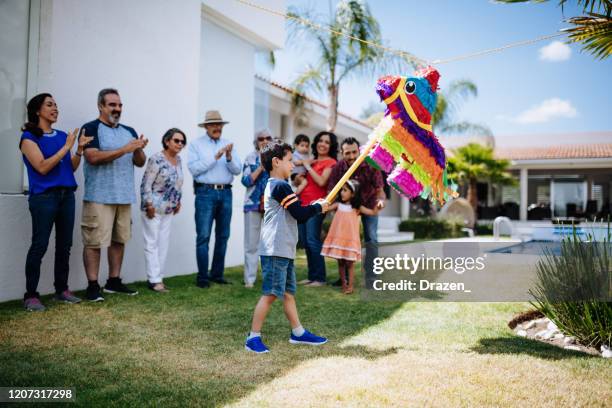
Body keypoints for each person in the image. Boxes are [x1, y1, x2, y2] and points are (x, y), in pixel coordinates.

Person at [245, 142, 329, 353]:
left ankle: (298, 333)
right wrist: (318, 207)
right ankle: (252, 337)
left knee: (288, 292)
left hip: (284, 248)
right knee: (271, 293)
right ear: (276, 161)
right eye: (290, 160)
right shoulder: (279, 186)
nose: (293, 165)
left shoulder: (279, 186)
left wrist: (315, 206)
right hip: (275, 249)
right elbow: (299, 214)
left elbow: (298, 210)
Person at [19, 93, 92, 311]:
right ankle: (30, 295)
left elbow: (70, 167)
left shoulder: (62, 136)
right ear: (37, 110)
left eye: (56, 105)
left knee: (65, 246)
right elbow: (41, 167)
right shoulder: (29, 138)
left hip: (66, 196)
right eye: (49, 105)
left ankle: (62, 290)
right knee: (39, 246)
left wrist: (78, 149)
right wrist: (66, 147)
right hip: (44, 198)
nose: (55, 109)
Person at [81, 88, 148, 302]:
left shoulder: (129, 130)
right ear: (100, 105)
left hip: (124, 196)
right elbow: (92, 157)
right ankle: (92, 286)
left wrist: (138, 149)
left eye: (119, 105)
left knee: (119, 241)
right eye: (112, 104)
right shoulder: (91, 128)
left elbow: (139, 162)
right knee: (93, 242)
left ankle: (113, 281)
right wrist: (126, 149)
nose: (117, 109)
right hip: (99, 196)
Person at [188, 110, 241, 288]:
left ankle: (217, 274)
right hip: (205, 193)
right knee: (203, 236)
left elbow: (237, 170)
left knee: (223, 235)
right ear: (206, 127)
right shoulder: (196, 145)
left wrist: (228, 157)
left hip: (226, 193)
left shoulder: (229, 144)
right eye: (213, 124)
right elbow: (194, 170)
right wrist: (215, 157)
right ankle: (203, 277)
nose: (217, 127)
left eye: (219, 124)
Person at [327, 137, 385, 287]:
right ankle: (344, 278)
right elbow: (331, 191)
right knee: (343, 240)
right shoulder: (338, 168)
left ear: (359, 150)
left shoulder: (371, 164)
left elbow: (380, 190)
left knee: (371, 239)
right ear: (341, 153)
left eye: (354, 152)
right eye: (347, 153)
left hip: (369, 205)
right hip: (347, 209)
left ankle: (371, 278)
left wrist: (380, 202)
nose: (352, 156)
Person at [140, 128, 186, 293]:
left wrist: (178, 201)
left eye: (182, 141)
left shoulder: (179, 160)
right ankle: (154, 280)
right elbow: (146, 183)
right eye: (176, 140)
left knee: (163, 244)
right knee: (151, 243)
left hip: (168, 209)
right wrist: (149, 205)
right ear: (167, 141)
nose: (180, 144)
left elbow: (178, 183)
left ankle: (159, 277)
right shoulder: (156, 159)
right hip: (153, 208)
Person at [321, 180, 377, 294]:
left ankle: (350, 287)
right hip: (338, 239)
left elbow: (371, 212)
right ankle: (343, 285)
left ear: (353, 193)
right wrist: (320, 203)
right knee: (340, 263)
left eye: (345, 190)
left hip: (350, 240)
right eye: (342, 190)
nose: (342, 192)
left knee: (349, 264)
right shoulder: (338, 205)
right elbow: (325, 208)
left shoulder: (356, 208)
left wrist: (378, 205)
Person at [297, 131, 338, 287]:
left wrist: (307, 166)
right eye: (320, 140)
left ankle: (319, 278)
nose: (323, 144)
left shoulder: (330, 162)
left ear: (331, 146)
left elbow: (321, 182)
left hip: (316, 206)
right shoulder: (312, 161)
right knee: (306, 242)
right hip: (302, 205)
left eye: (327, 142)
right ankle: (311, 276)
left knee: (313, 240)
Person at [241, 129, 272, 288]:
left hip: (271, 206)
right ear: (256, 142)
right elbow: (246, 181)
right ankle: (249, 280)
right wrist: (261, 167)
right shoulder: (250, 158)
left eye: (268, 138)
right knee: (251, 244)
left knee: (270, 245)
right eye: (261, 139)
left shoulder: (276, 158)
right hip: (252, 205)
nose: (265, 141)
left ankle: (269, 278)